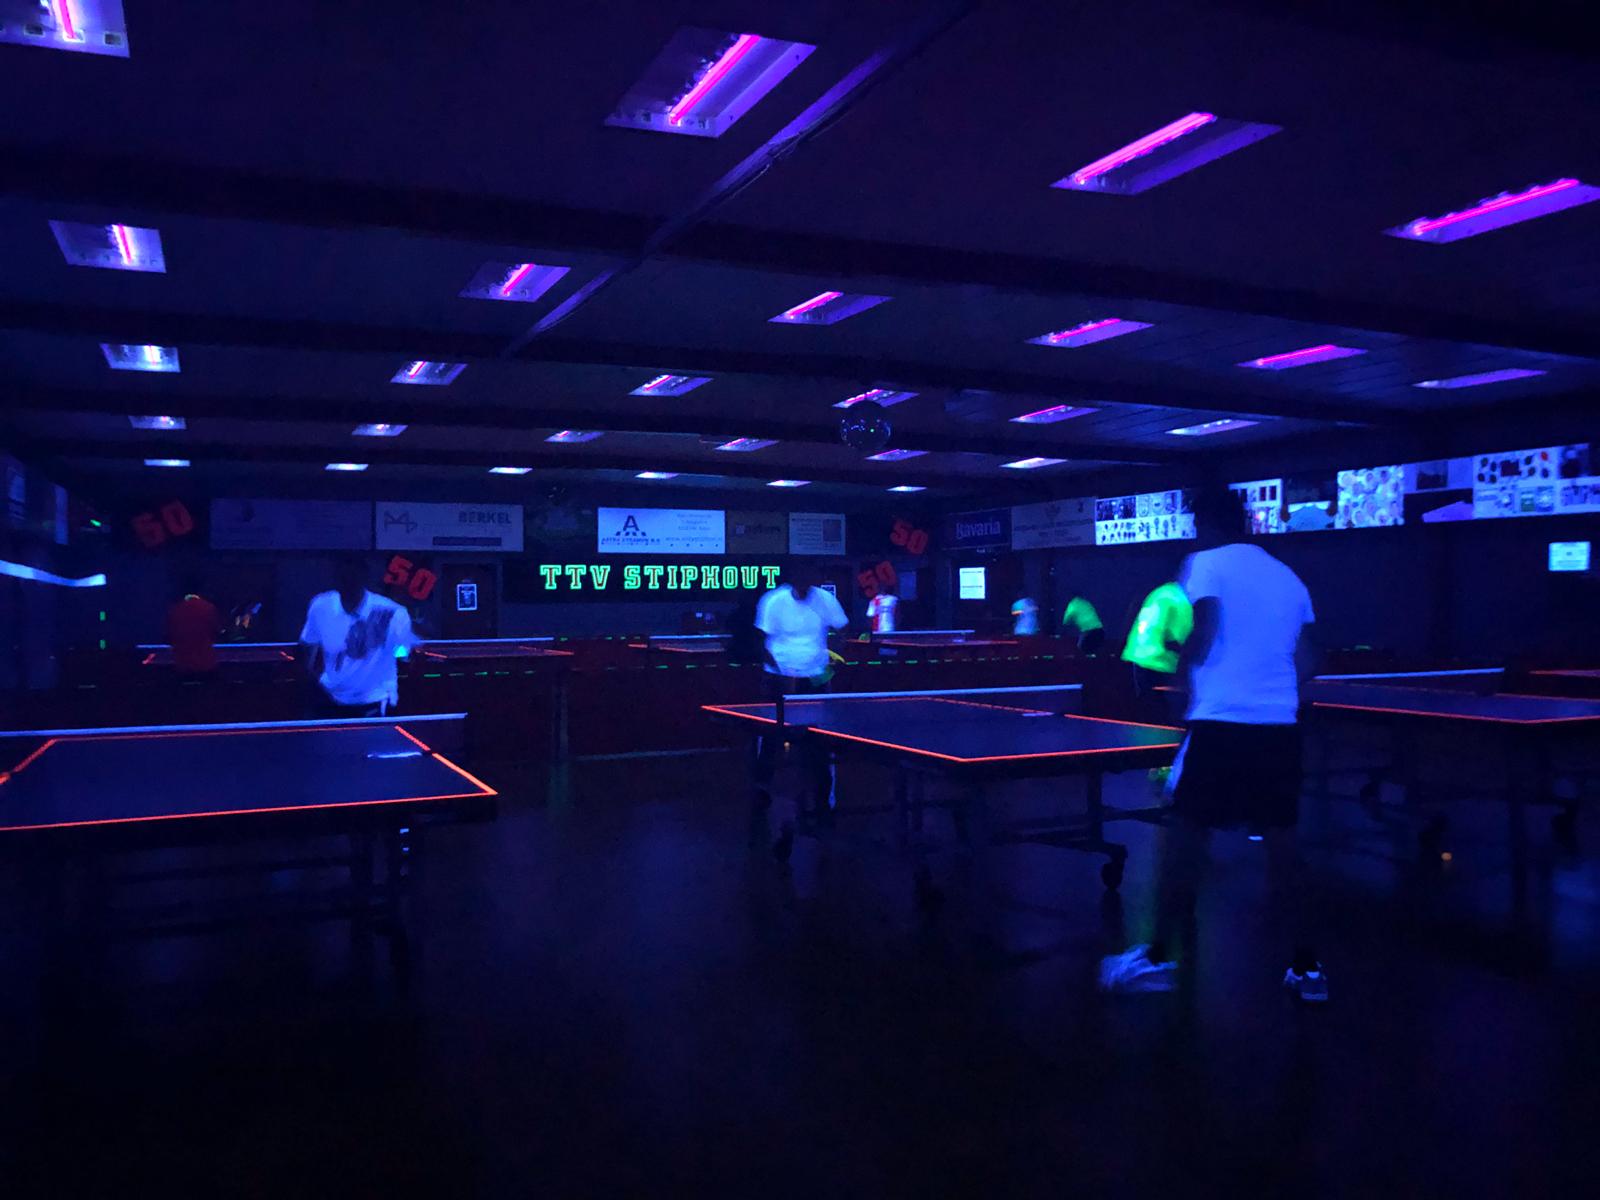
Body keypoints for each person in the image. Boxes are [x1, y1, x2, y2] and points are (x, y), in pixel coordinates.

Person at [1100, 485, 1324, 1003]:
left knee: (1184, 837)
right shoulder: (1288, 576)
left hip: (1221, 726)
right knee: (1284, 847)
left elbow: (1204, 631)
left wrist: (1184, 681)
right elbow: (1311, 658)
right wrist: (1272, 694)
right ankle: (1308, 970)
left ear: (1205, 523)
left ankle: (1157, 959)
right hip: (1279, 729)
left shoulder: (1205, 562)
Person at [754, 563, 848, 863]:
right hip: (778, 678)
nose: (806, 582)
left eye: (811, 577)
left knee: (820, 741)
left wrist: (832, 661)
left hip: (815, 678)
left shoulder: (825, 600)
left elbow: (842, 630)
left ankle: (823, 801)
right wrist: (781, 673)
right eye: (801, 577)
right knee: (770, 736)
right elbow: (761, 642)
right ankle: (761, 787)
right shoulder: (774, 601)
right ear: (792, 579)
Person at [298, 557, 419, 718]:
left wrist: (395, 649)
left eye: (353, 577)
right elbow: (308, 648)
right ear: (336, 578)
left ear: (364, 578)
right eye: (344, 577)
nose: (348, 582)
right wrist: (316, 686)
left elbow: (403, 654)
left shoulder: (393, 612)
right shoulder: (320, 606)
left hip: (374, 702)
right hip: (329, 699)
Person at [1120, 581, 1193, 723]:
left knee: (1145, 710)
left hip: (1139, 657)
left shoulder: (1161, 592)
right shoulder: (1180, 600)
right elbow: (1173, 640)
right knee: (1162, 715)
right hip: (1158, 663)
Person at [166, 578, 221, 677]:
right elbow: (215, 632)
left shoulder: (175, 609)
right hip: (205, 662)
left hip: (182, 663)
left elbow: (169, 636)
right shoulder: (209, 608)